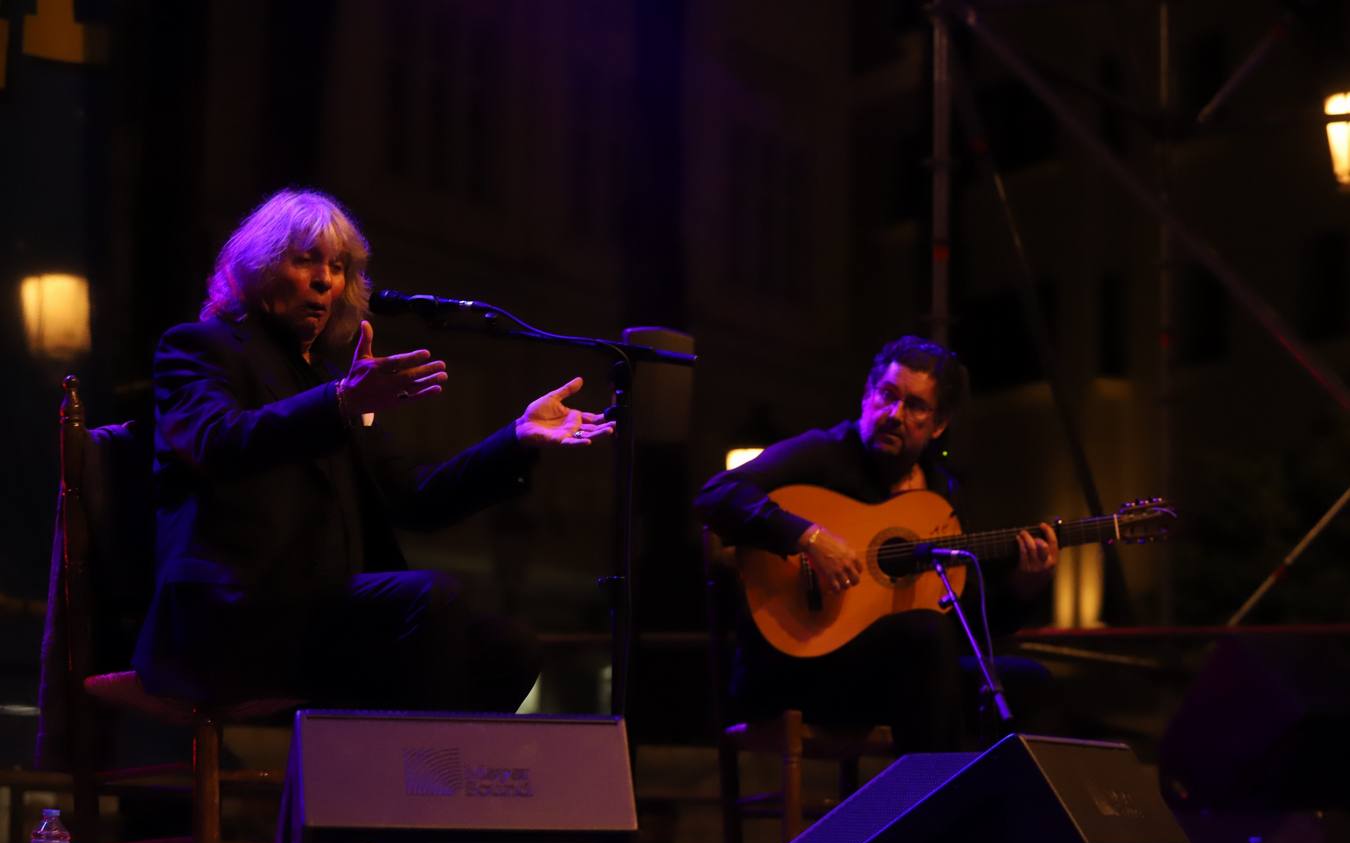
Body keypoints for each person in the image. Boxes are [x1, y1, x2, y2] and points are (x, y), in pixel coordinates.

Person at [132, 188, 614, 711]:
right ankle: (410, 780)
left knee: (510, 648)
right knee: (429, 597)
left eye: (338, 267)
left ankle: (426, 780)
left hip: (318, 619)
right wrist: (339, 402)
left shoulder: (332, 383)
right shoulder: (200, 348)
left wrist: (515, 439)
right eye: (305, 260)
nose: (325, 280)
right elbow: (216, 443)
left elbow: (414, 500)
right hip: (235, 615)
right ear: (260, 267)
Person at [694, 335, 1057, 752]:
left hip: (893, 676)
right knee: (924, 638)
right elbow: (715, 495)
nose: (895, 414)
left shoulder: (943, 495)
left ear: (938, 425)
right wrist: (807, 536)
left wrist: (1021, 591)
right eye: (887, 395)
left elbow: (963, 621)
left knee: (1029, 682)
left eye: (916, 406)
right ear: (868, 395)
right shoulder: (824, 454)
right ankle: (930, 809)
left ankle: (992, 810)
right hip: (797, 670)